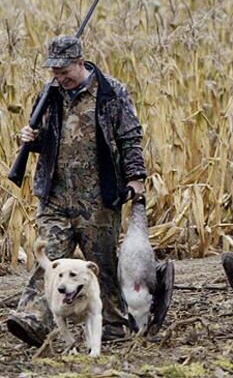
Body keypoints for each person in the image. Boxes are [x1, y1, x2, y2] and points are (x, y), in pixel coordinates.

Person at [7, 35, 147, 346]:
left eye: (64, 70)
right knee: (52, 260)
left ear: (80, 63)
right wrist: (31, 139)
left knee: (102, 266)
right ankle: (34, 318)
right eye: (54, 71)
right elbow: (45, 140)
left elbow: (130, 138)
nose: (59, 77)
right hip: (55, 195)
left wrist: (136, 178)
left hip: (99, 198)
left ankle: (112, 325)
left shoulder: (112, 92)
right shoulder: (49, 94)